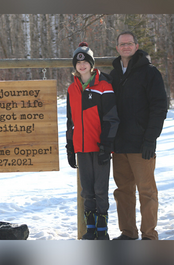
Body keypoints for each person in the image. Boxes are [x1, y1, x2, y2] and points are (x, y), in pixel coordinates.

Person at [110, 31, 168, 240]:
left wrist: (151, 139)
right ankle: (128, 232)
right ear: (117, 48)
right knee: (123, 192)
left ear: (136, 46)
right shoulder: (114, 74)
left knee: (147, 192)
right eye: (121, 44)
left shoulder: (149, 73)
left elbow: (159, 107)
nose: (125, 47)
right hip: (119, 145)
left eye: (129, 43)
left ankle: (149, 235)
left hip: (142, 143)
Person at [66, 42, 119, 240]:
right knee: (87, 190)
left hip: (100, 148)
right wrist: (70, 147)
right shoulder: (72, 89)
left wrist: (107, 144)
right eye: (78, 62)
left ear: (91, 64)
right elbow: (70, 121)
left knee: (100, 190)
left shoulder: (104, 86)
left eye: (85, 61)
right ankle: (90, 229)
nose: (82, 66)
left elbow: (112, 118)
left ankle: (102, 229)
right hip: (81, 148)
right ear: (75, 66)